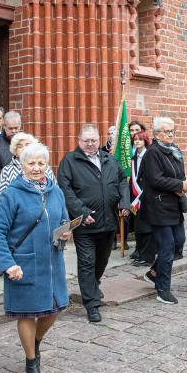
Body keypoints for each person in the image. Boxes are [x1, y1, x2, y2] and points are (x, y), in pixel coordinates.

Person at [0, 143, 70, 373]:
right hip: (22, 264)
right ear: (22, 166)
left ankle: (34, 341)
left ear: (47, 165)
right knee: (27, 314)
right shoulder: (11, 194)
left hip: (52, 263)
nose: (36, 168)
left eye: (41, 163)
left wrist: (65, 232)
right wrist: (7, 264)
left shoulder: (56, 191)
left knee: (54, 310)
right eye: (31, 163)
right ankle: (31, 363)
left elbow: (63, 218)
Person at [58, 124, 130, 321]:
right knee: (87, 262)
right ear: (79, 140)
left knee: (102, 259)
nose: (90, 144)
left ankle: (93, 285)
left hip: (108, 222)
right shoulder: (70, 162)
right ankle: (91, 304)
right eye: (86, 141)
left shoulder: (108, 159)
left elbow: (123, 179)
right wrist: (81, 211)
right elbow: (65, 189)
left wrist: (124, 202)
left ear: (99, 140)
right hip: (85, 224)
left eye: (94, 140)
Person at [138, 117, 187, 305]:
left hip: (173, 204)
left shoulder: (174, 151)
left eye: (172, 131)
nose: (171, 134)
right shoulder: (153, 153)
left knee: (179, 242)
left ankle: (153, 273)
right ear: (157, 134)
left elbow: (179, 173)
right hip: (158, 207)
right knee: (167, 247)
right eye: (167, 131)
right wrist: (179, 184)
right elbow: (155, 179)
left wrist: (179, 185)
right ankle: (162, 289)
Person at [0, 132, 40, 217]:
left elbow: (56, 194)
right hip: (16, 217)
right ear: (14, 150)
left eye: (27, 145)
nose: (24, 148)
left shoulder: (43, 168)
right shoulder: (7, 170)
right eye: (19, 146)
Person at [129, 130, 155, 267]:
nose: (137, 141)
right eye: (135, 139)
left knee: (147, 228)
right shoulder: (134, 158)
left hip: (147, 196)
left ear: (145, 141)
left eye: (140, 139)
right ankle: (140, 253)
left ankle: (148, 256)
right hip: (136, 198)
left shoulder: (149, 155)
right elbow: (133, 179)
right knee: (139, 227)